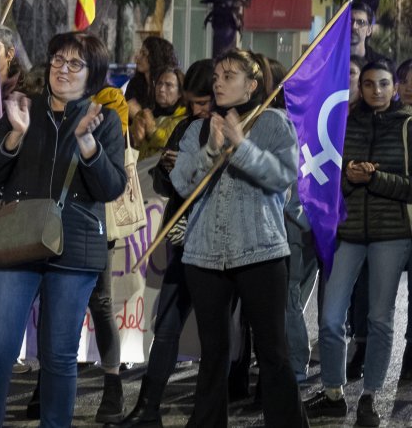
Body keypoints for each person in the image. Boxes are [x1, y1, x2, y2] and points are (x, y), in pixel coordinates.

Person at [0, 33, 126, 428]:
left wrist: (88, 145)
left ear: (93, 75)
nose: (62, 69)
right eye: (58, 59)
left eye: (75, 64)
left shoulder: (102, 121)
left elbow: (110, 189)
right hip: (16, 244)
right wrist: (15, 135)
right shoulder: (23, 109)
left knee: (58, 356)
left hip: (75, 249)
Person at [170, 48, 307, 428]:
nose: (219, 81)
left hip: (261, 250)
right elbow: (180, 183)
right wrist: (211, 149)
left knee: (273, 352)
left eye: (229, 75)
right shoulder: (198, 127)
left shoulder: (275, 123)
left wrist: (241, 147)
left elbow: (282, 178)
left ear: (252, 84)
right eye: (217, 75)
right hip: (204, 254)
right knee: (213, 353)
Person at [304, 59, 411, 426]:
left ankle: (370, 396)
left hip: (391, 235)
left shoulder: (407, 125)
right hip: (348, 234)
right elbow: (328, 180)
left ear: (394, 86)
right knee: (332, 319)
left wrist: (375, 178)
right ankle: (333, 393)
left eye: (383, 84)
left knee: (380, 319)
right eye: (369, 84)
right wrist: (350, 178)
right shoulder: (345, 123)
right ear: (361, 87)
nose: (376, 91)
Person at [115, 59, 214, 428]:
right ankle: (147, 407)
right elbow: (160, 184)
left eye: (204, 103)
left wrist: (191, 168)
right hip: (183, 237)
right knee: (167, 323)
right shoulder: (186, 127)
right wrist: (167, 169)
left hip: (220, 244)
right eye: (193, 103)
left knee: (217, 333)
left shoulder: (234, 129)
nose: (198, 110)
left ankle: (211, 409)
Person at [130, 66, 187, 159]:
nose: (161, 89)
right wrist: (134, 139)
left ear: (180, 93)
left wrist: (152, 131)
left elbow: (168, 144)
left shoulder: (183, 119)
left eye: (168, 85)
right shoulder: (146, 114)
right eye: (159, 84)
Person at [125, 36, 179, 116]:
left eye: (144, 54)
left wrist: (138, 114)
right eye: (140, 52)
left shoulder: (167, 86)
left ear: (156, 57)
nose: (137, 57)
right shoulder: (135, 83)